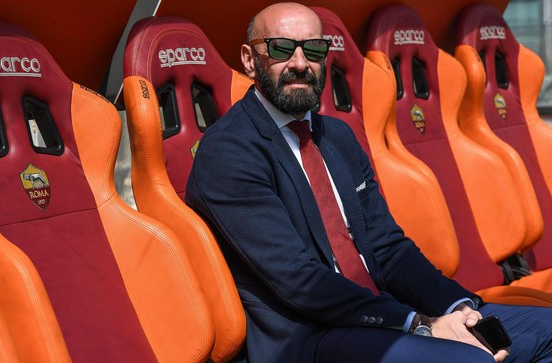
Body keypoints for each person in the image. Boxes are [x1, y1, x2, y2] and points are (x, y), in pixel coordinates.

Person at [185, 2, 552, 362]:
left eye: (313, 49)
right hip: (312, 336)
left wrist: (460, 309)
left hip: (382, 313)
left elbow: (388, 248)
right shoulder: (229, 152)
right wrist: (419, 324)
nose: (300, 64)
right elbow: (300, 281)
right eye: (282, 49)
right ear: (250, 60)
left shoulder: (337, 137)